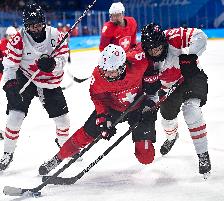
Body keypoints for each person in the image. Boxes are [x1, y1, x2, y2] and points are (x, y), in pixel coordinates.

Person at [38, 44, 159, 175]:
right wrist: (102, 116)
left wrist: (153, 89)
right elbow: (97, 97)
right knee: (85, 134)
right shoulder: (98, 75)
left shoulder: (138, 60)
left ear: (123, 66)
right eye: (104, 70)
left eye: (111, 71)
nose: (107, 74)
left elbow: (155, 47)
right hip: (113, 107)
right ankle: (57, 158)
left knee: (146, 158)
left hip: (139, 107)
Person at [0, 3, 70, 172]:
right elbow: (9, 66)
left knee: (63, 120)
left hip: (49, 81)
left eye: (38, 24)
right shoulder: (18, 39)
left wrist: (52, 64)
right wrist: (10, 86)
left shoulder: (56, 35)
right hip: (26, 77)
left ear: (43, 22)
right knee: (15, 116)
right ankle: (8, 153)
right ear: (25, 25)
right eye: (31, 25)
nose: (35, 29)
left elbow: (63, 60)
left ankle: (64, 145)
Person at [140, 23, 211, 177]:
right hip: (167, 87)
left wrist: (190, 56)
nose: (155, 51)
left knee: (191, 111)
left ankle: (203, 154)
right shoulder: (144, 59)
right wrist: (148, 105)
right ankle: (172, 137)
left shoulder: (173, 36)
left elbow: (201, 37)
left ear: (163, 41)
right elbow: (147, 87)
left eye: (158, 47)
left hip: (191, 76)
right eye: (151, 49)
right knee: (167, 121)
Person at [0, 26, 17, 101]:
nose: (11, 37)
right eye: (10, 35)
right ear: (7, 35)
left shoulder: (18, 44)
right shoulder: (0, 43)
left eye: (13, 36)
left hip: (11, 64)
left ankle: (14, 94)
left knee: (13, 80)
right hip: (0, 63)